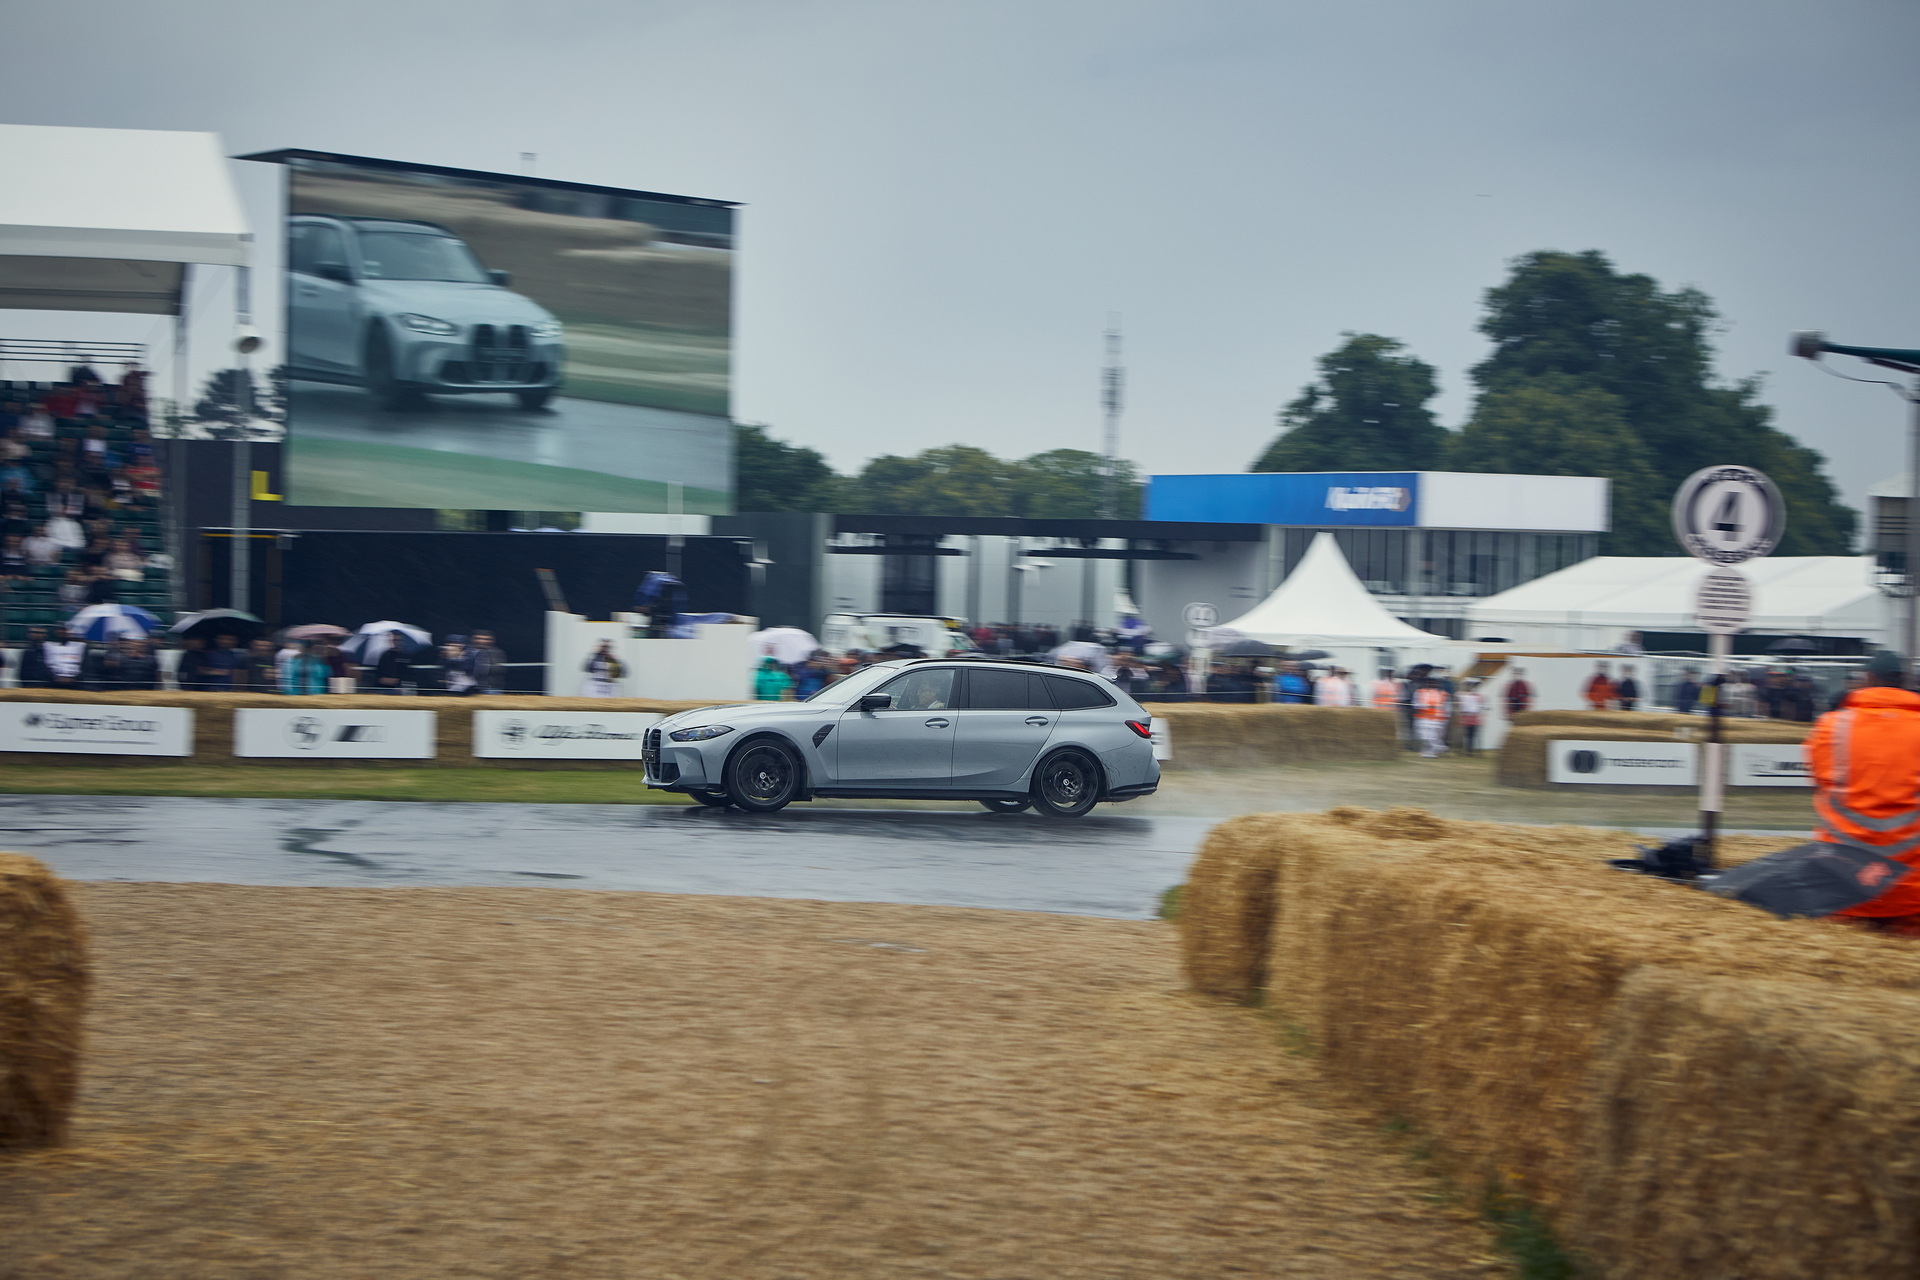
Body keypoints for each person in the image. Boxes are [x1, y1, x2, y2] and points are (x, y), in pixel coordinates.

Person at [1809, 651, 1920, 934]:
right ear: (1903, 681)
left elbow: (1820, 781)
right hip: (1911, 889)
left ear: (1868, 678)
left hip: (1843, 883)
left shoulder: (1832, 726)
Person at [1413, 676, 1450, 758]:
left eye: (1434, 682)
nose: (1432, 684)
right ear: (1427, 683)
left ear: (1438, 684)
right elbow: (1416, 705)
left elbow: (1447, 708)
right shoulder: (1420, 692)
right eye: (1430, 682)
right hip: (1424, 718)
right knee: (1426, 736)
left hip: (1438, 720)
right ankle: (1437, 748)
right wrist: (1424, 706)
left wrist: (1445, 719)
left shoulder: (1443, 694)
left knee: (1434, 737)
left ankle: (1430, 752)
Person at [469, 630, 508, 694]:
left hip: (490, 687)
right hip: (467, 687)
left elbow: (497, 669)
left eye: (486, 639)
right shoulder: (467, 651)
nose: (482, 641)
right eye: (479, 638)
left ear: (493, 640)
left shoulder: (497, 653)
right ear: (472, 639)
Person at [1455, 678, 1485, 755]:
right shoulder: (1465, 695)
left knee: (1472, 734)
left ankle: (1470, 750)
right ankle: (1468, 749)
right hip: (1468, 716)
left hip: (1474, 716)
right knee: (1468, 734)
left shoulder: (1478, 695)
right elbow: (1458, 695)